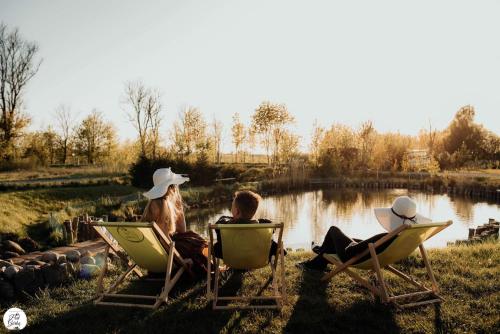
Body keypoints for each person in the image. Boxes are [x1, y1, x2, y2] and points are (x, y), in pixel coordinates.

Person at [299, 196, 431, 271]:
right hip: (375, 255)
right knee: (348, 239)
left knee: (334, 230)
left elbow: (351, 250)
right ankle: (321, 257)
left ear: (393, 217)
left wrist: (354, 243)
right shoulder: (402, 238)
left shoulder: (385, 237)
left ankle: (318, 258)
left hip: (351, 256)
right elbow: (366, 246)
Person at [141, 167, 208, 277]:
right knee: (197, 243)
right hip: (165, 254)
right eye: (175, 185)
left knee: (192, 237)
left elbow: (181, 232)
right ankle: (210, 268)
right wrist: (181, 260)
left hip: (152, 254)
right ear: (171, 188)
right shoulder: (163, 206)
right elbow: (165, 239)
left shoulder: (152, 203)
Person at [213, 190, 284, 261]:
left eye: (232, 206)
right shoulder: (263, 226)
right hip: (255, 260)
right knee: (270, 242)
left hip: (232, 259)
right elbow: (272, 228)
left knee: (216, 247)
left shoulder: (224, 225)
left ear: (237, 211)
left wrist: (232, 219)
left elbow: (219, 225)